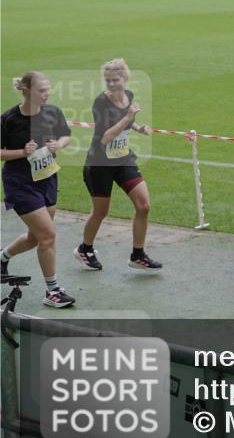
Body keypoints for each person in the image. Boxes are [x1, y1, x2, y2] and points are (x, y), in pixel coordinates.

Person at [74, 58, 160, 271]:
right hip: (100, 164)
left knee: (144, 206)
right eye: (108, 80)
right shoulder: (100, 103)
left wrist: (138, 127)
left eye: (116, 80)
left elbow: (126, 120)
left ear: (125, 78)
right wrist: (128, 117)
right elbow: (105, 137)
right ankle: (85, 249)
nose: (112, 84)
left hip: (123, 159)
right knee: (101, 212)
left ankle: (137, 255)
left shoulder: (128, 96)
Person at [0, 71, 75, 307]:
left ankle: (2, 257)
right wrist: (22, 152)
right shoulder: (9, 119)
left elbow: (66, 136)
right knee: (48, 235)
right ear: (26, 91)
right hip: (20, 182)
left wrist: (57, 145)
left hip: (47, 179)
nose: (47, 94)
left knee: (36, 238)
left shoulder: (53, 113)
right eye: (42, 90)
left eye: (47, 89)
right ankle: (53, 291)